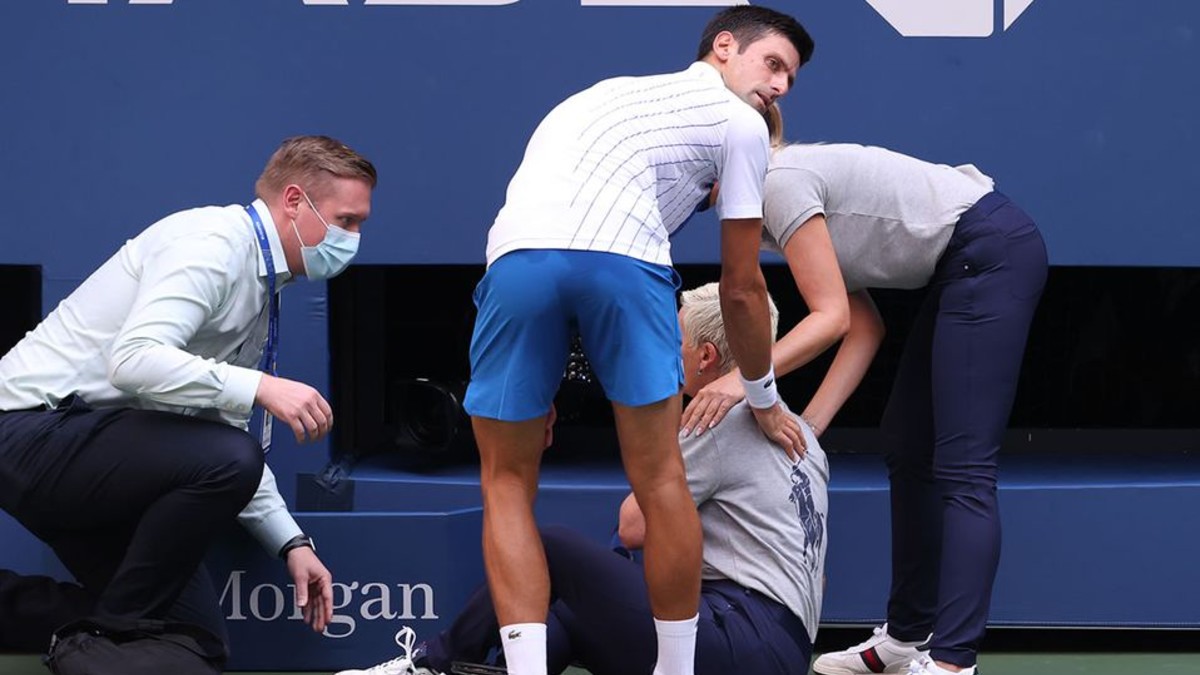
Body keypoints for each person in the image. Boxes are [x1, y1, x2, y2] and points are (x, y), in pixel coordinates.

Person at [460, 7, 815, 675]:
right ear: (723, 47)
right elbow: (741, 289)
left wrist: (543, 369)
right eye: (774, 65)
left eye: (790, 78)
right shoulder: (742, 124)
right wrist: (761, 393)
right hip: (624, 268)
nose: (781, 86)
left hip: (514, 268)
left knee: (506, 483)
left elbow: (552, 248)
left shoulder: (595, 97)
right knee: (659, 478)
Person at [681, 112, 1048, 675]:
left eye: (699, 172)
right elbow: (863, 324)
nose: (694, 189)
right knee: (905, 441)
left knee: (965, 468)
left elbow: (829, 320)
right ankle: (906, 636)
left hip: (989, 250)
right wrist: (808, 427)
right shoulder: (772, 199)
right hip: (965, 261)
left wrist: (744, 384)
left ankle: (952, 662)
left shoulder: (779, 184)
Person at [0, 135, 377, 660]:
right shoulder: (213, 245)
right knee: (229, 460)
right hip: (26, 432)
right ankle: (114, 631)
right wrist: (263, 387)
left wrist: (291, 542)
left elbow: (220, 430)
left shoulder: (262, 283)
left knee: (193, 645)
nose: (354, 238)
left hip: (98, 460)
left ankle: (92, 628)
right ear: (294, 201)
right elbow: (132, 360)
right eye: (347, 221)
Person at [335, 281, 828, 675]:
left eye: (671, 340)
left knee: (548, 546)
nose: (662, 351)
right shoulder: (800, 429)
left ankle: (430, 663)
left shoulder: (713, 418)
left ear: (704, 359)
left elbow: (634, 526)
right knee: (566, 615)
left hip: (739, 638)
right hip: (779, 649)